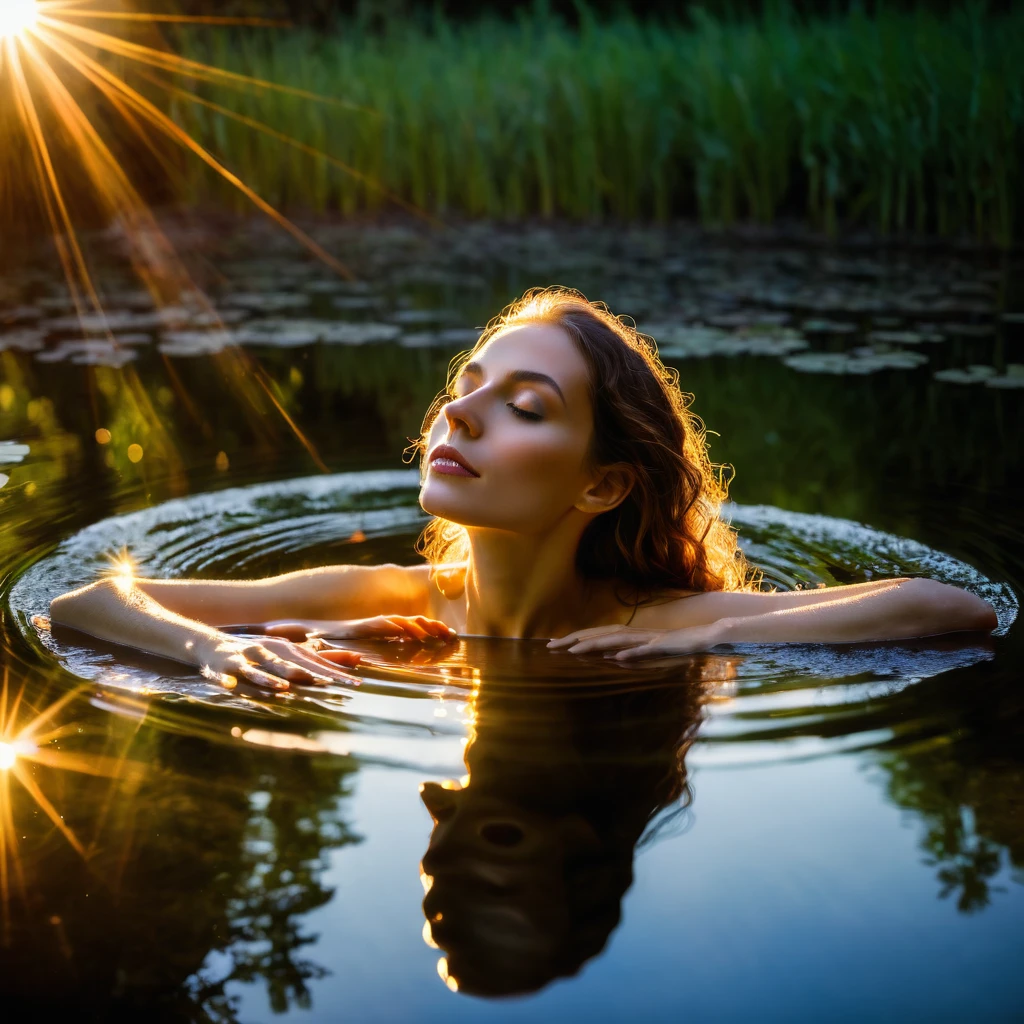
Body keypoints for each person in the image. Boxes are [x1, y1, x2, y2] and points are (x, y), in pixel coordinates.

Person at [49, 287, 998, 690]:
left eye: (526, 406)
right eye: (467, 389)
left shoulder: (657, 621)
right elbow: (86, 603)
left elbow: (950, 608)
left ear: (602, 485)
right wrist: (217, 650)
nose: (458, 417)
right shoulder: (401, 600)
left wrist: (724, 626)